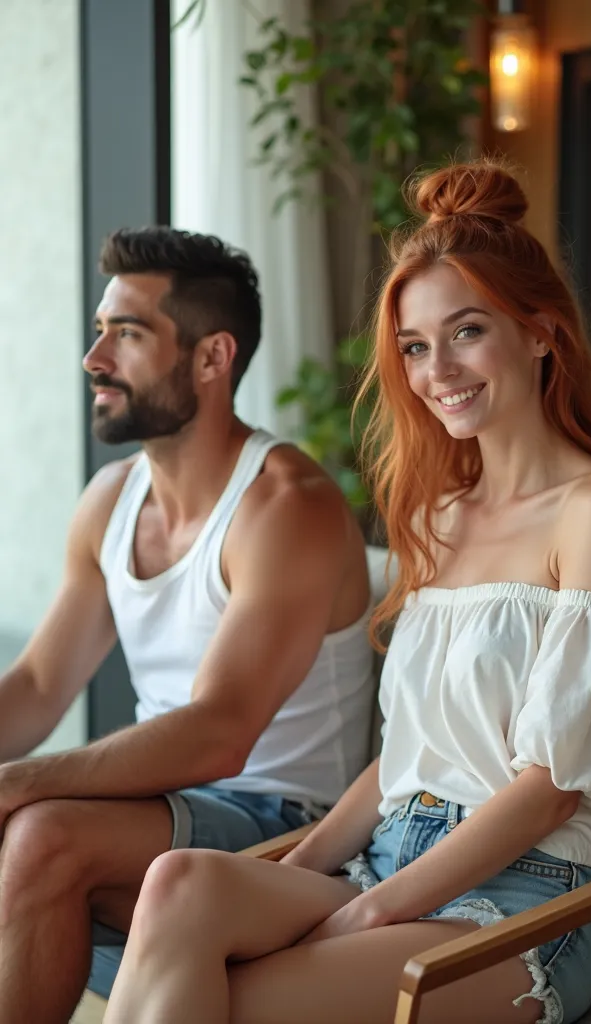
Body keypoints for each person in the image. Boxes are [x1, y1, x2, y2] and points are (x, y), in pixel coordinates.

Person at [102, 162, 591, 1024]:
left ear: (541, 333)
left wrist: (366, 912)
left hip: (528, 897)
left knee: (231, 999)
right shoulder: (440, 513)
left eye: (467, 332)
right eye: (413, 345)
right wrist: (282, 882)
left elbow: (550, 787)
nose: (438, 369)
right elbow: (404, 757)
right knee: (181, 883)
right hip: (394, 856)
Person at [0, 227, 375, 1024]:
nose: (94, 358)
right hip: (166, 809)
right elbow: (36, 687)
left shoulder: (284, 506)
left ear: (212, 359)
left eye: (127, 335)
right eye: (101, 330)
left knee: (39, 833)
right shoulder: (111, 498)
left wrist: (18, 782)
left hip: (288, 829)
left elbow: (219, 733)